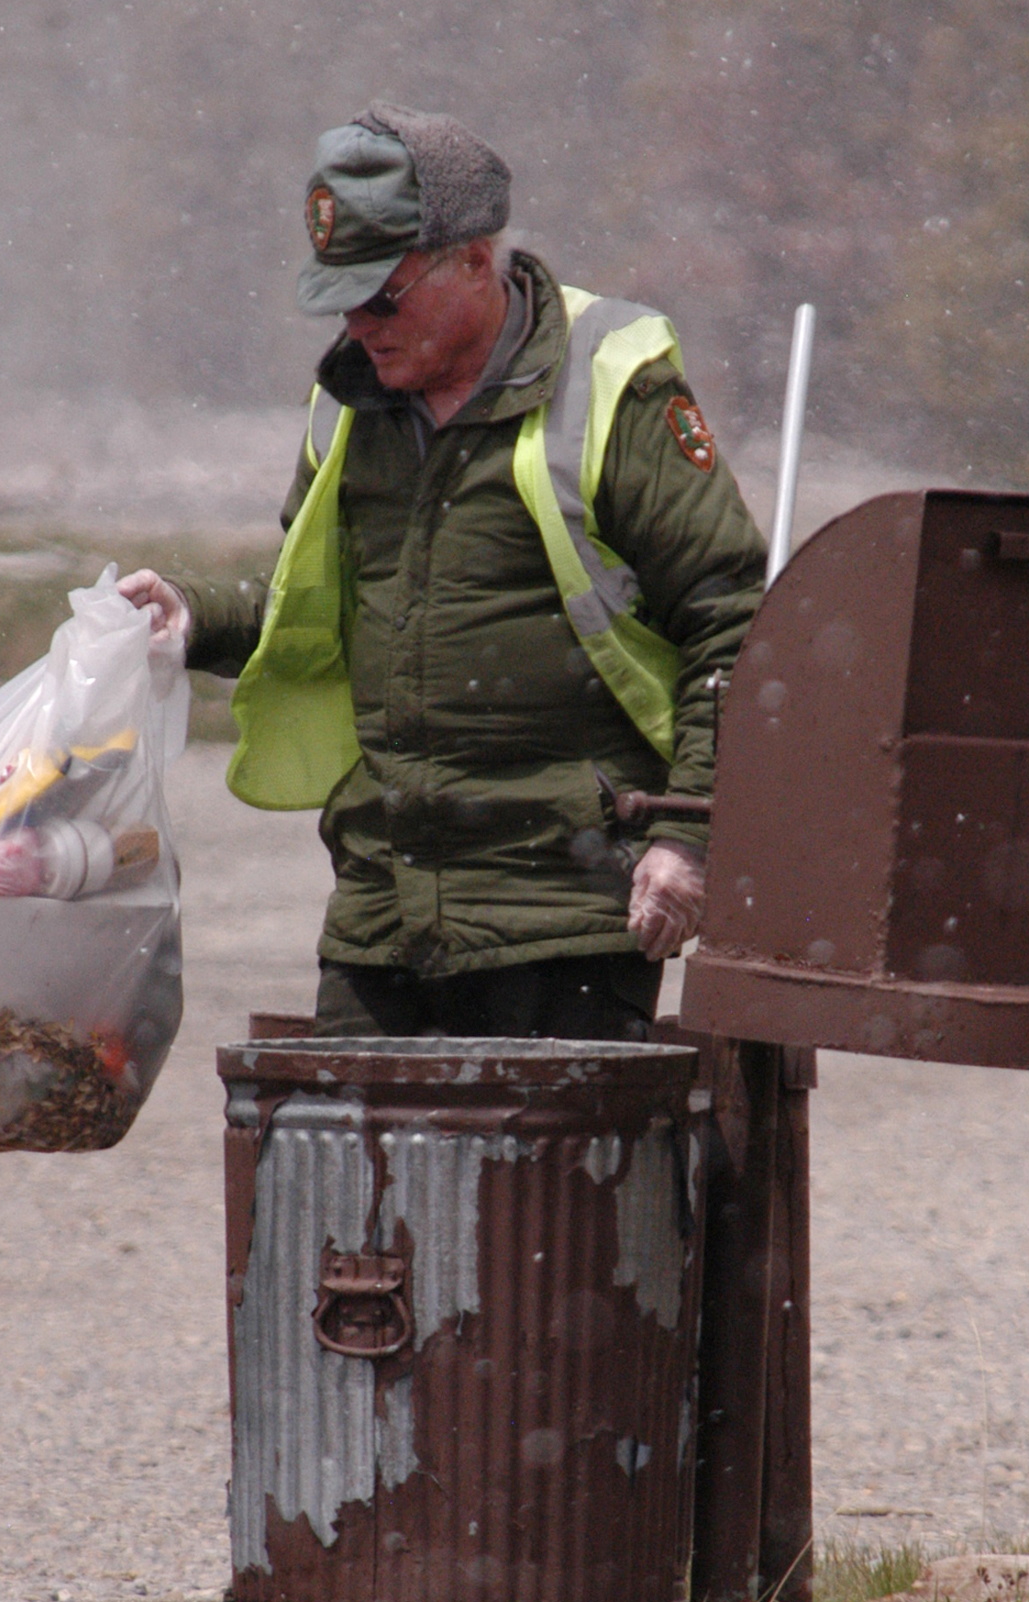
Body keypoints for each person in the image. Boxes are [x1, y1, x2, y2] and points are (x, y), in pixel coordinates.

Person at [120, 102, 767, 1040]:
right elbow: (321, 609)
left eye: (382, 294)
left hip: (564, 911)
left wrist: (689, 837)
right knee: (338, 1179)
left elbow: (731, 623)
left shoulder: (614, 383)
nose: (358, 323)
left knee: (545, 1191)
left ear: (476, 258)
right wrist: (189, 617)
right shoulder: (349, 402)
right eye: (339, 296)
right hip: (382, 910)